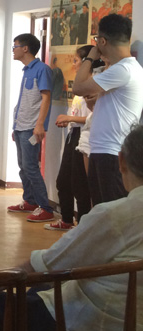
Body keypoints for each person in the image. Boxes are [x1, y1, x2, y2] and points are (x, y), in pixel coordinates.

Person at [0, 125, 143, 331]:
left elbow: (47, 266)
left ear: (121, 160)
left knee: (1, 309)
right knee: (36, 298)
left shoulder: (116, 215)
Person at [73, 14, 143, 205]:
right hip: (105, 150)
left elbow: (77, 88)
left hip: (111, 152)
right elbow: (100, 104)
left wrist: (90, 57)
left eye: (97, 40)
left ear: (102, 41)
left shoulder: (123, 70)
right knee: (103, 211)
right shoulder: (124, 69)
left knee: (110, 213)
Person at [7, 33, 54, 222]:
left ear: (25, 48)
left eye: (15, 46)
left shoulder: (42, 69)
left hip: (31, 127)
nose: (13, 50)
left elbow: (46, 97)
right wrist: (15, 126)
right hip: (21, 126)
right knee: (23, 167)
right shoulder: (27, 70)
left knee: (31, 167)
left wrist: (40, 124)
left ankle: (46, 208)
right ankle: (30, 201)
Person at [48, 46, 93, 231]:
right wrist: (68, 119)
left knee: (80, 185)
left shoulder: (93, 86)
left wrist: (70, 118)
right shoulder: (81, 85)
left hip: (84, 137)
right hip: (72, 135)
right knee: (63, 181)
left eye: (76, 61)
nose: (73, 65)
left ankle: (82, 226)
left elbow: (92, 118)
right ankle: (66, 220)